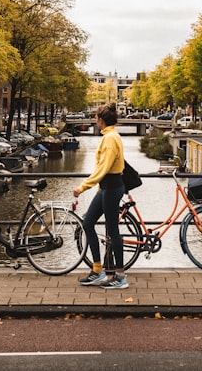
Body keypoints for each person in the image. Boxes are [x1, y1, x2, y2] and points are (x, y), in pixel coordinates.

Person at [72, 102, 128, 289]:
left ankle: (120, 276)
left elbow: (103, 169)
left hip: (111, 188)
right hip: (106, 189)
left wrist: (83, 187)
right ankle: (98, 270)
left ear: (101, 121)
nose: (95, 121)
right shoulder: (109, 136)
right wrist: (97, 190)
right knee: (88, 224)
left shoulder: (111, 139)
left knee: (113, 231)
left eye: (96, 118)